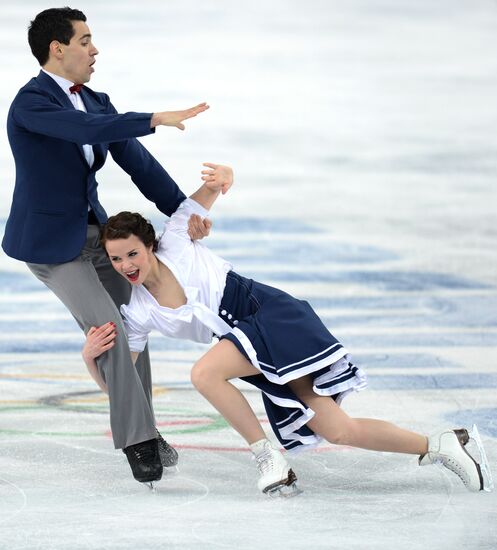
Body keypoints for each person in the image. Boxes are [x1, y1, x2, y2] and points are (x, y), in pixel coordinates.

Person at [82, 163, 493, 495]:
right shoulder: (137, 311)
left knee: (204, 373)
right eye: (116, 260)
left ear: (150, 246)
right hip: (248, 344)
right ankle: (439, 443)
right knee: (336, 429)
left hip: (269, 315)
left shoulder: (176, 237)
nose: (126, 266)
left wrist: (223, 177)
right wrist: (90, 359)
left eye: (132, 253)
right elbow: (124, 388)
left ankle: (268, 457)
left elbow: (214, 189)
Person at [1, 7, 211, 485]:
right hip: (51, 246)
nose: (94, 50)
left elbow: (138, 162)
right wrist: (153, 117)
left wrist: (184, 210)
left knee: (133, 322)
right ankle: (139, 441)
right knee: (109, 327)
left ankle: (147, 427)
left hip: (97, 233)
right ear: (58, 48)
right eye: (85, 41)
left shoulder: (96, 101)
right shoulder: (30, 103)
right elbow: (84, 132)